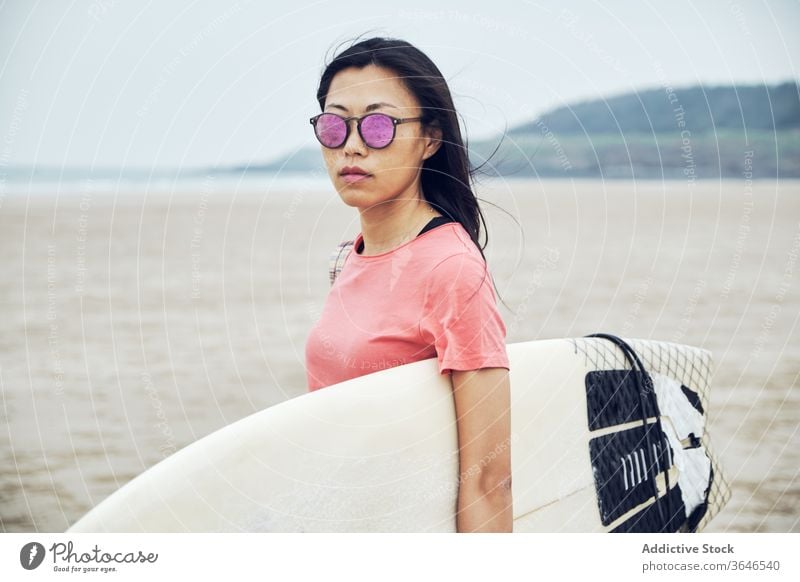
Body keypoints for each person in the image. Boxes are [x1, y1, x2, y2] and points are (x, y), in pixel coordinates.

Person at [304, 37, 512, 533]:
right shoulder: (349, 255)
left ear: (430, 138)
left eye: (379, 125)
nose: (352, 145)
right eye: (334, 125)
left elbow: (489, 479)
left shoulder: (451, 269)